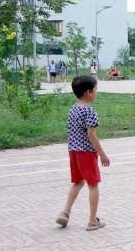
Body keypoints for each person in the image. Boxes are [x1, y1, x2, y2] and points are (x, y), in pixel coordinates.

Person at [55, 75, 110, 231]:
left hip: (73, 152)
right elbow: (91, 135)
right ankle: (93, 221)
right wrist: (102, 154)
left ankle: (65, 212)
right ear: (88, 92)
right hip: (86, 153)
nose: (96, 92)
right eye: (96, 89)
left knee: (78, 182)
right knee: (93, 185)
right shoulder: (89, 111)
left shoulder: (73, 109)